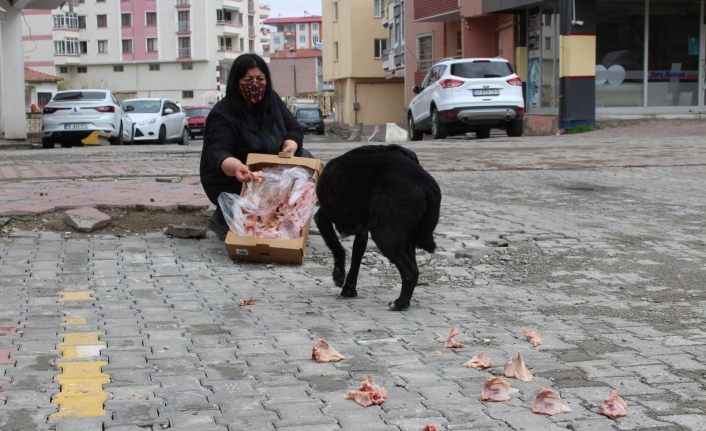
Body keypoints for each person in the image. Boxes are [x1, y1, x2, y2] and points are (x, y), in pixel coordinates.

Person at [200, 53, 309, 239]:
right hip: (234, 178)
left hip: (269, 174)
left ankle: (282, 214)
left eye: (260, 79)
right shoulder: (223, 113)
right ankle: (227, 214)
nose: (255, 85)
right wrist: (236, 167)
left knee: (306, 158)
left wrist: (291, 143)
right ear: (236, 81)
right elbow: (218, 152)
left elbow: (294, 129)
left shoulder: (272, 102)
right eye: (248, 79)